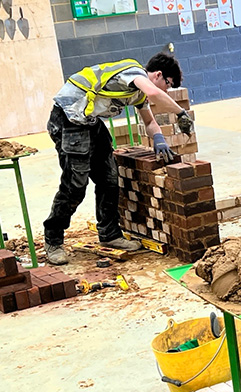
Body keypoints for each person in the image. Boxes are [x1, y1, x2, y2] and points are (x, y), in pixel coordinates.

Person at [43, 53, 194, 265]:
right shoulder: (133, 72)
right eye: (167, 85)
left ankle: (110, 234)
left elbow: (149, 121)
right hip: (68, 118)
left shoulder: (138, 94)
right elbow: (152, 91)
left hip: (89, 120)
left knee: (110, 178)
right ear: (158, 74)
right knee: (75, 184)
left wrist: (159, 138)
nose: (165, 91)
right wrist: (180, 113)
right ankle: (53, 239)